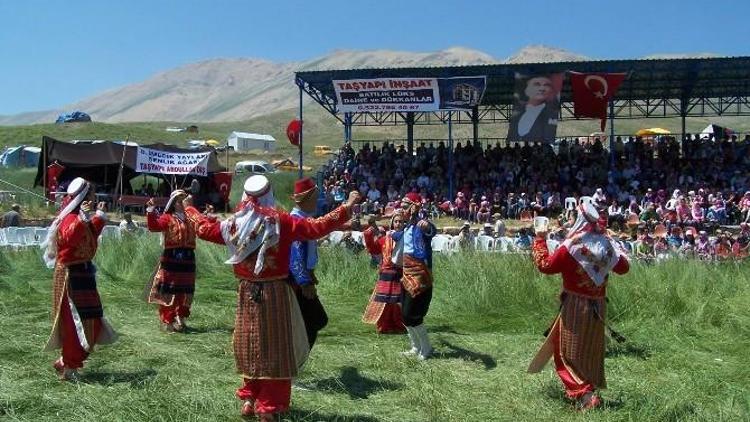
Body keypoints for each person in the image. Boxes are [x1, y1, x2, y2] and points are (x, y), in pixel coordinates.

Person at [186, 175, 360, 420]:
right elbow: (316, 227)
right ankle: (269, 407)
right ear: (269, 194)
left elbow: (203, 228)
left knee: (250, 344)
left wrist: (189, 207)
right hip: (275, 292)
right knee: (276, 348)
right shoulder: (281, 222)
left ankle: (249, 398)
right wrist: (347, 207)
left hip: (247, 291)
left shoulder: (233, 224)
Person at [528, 201, 629, 410]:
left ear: (580, 219)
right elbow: (623, 268)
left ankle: (585, 394)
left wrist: (540, 239)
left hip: (575, 304)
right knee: (590, 349)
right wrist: (614, 245)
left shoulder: (571, 246)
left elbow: (545, 265)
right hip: (598, 306)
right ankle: (589, 388)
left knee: (566, 353)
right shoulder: (605, 244)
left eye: (573, 216)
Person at [40, 177, 118, 381]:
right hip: (70, 275)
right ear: (84, 196)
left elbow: (89, 234)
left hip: (84, 274)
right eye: (91, 195)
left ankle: (67, 361)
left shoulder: (79, 217)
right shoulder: (70, 218)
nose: (93, 198)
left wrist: (98, 216)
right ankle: (70, 367)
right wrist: (84, 217)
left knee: (91, 320)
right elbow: (70, 238)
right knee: (74, 322)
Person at [145, 189, 200, 333]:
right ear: (175, 203)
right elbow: (153, 227)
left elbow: (202, 226)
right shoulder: (168, 218)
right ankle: (168, 320)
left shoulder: (190, 218)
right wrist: (150, 211)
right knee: (169, 290)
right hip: (172, 258)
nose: (185, 203)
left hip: (188, 258)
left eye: (185, 200)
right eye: (181, 200)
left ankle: (181, 317)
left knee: (186, 291)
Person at [395, 192, 436, 360]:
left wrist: (428, 226)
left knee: (412, 313)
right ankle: (415, 346)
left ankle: (426, 348)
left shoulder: (420, 225)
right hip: (407, 275)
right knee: (404, 314)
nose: (401, 210)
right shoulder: (406, 228)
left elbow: (431, 230)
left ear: (414, 207)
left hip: (420, 276)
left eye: (405, 207)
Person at [288, 177, 329, 350]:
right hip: (297, 282)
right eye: (315, 197)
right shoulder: (296, 222)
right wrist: (305, 282)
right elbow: (295, 255)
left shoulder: (303, 218)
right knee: (314, 320)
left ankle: (296, 361)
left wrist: (311, 272)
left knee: (311, 321)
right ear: (307, 199)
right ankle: (296, 361)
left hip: (302, 278)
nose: (317, 201)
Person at [362, 211, 407, 334]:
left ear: (404, 223)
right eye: (396, 221)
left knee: (398, 301)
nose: (398, 224)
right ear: (392, 223)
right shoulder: (385, 239)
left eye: (401, 222)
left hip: (399, 273)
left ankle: (399, 325)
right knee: (385, 301)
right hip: (386, 273)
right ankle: (384, 326)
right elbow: (374, 249)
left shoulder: (407, 238)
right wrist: (368, 235)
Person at [507, 75, 560, 143]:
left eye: (546, 85)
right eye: (537, 84)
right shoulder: (517, 113)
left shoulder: (551, 113)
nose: (542, 88)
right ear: (527, 89)